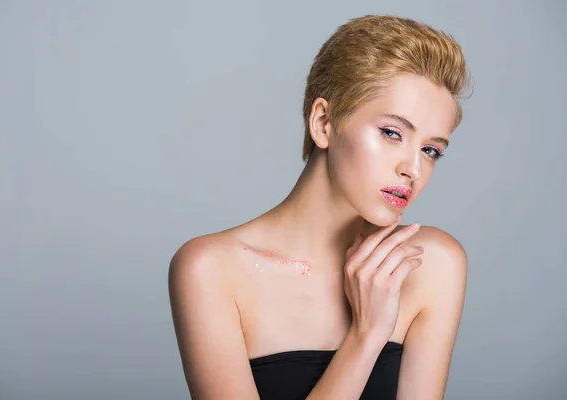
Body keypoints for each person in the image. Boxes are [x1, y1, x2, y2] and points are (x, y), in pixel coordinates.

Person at [169, 14, 470, 400]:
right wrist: (367, 335)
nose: (412, 168)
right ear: (324, 122)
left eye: (431, 150)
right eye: (392, 133)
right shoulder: (211, 270)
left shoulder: (429, 265)